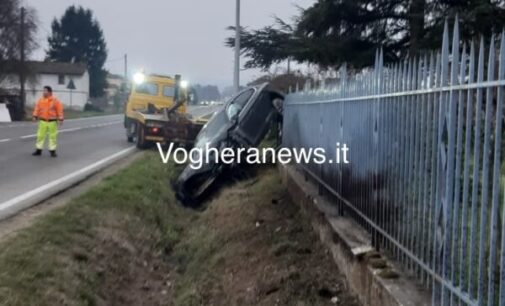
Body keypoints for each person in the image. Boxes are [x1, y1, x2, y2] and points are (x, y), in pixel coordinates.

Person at [32, 86, 64, 157]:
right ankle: (38, 150)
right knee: (40, 136)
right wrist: (35, 116)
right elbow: (37, 109)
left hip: (52, 121)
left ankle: (52, 151)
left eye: (45, 91)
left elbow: (59, 110)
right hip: (42, 121)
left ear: (49, 92)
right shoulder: (40, 100)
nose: (43, 92)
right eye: (43, 91)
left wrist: (60, 119)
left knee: (52, 136)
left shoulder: (55, 101)